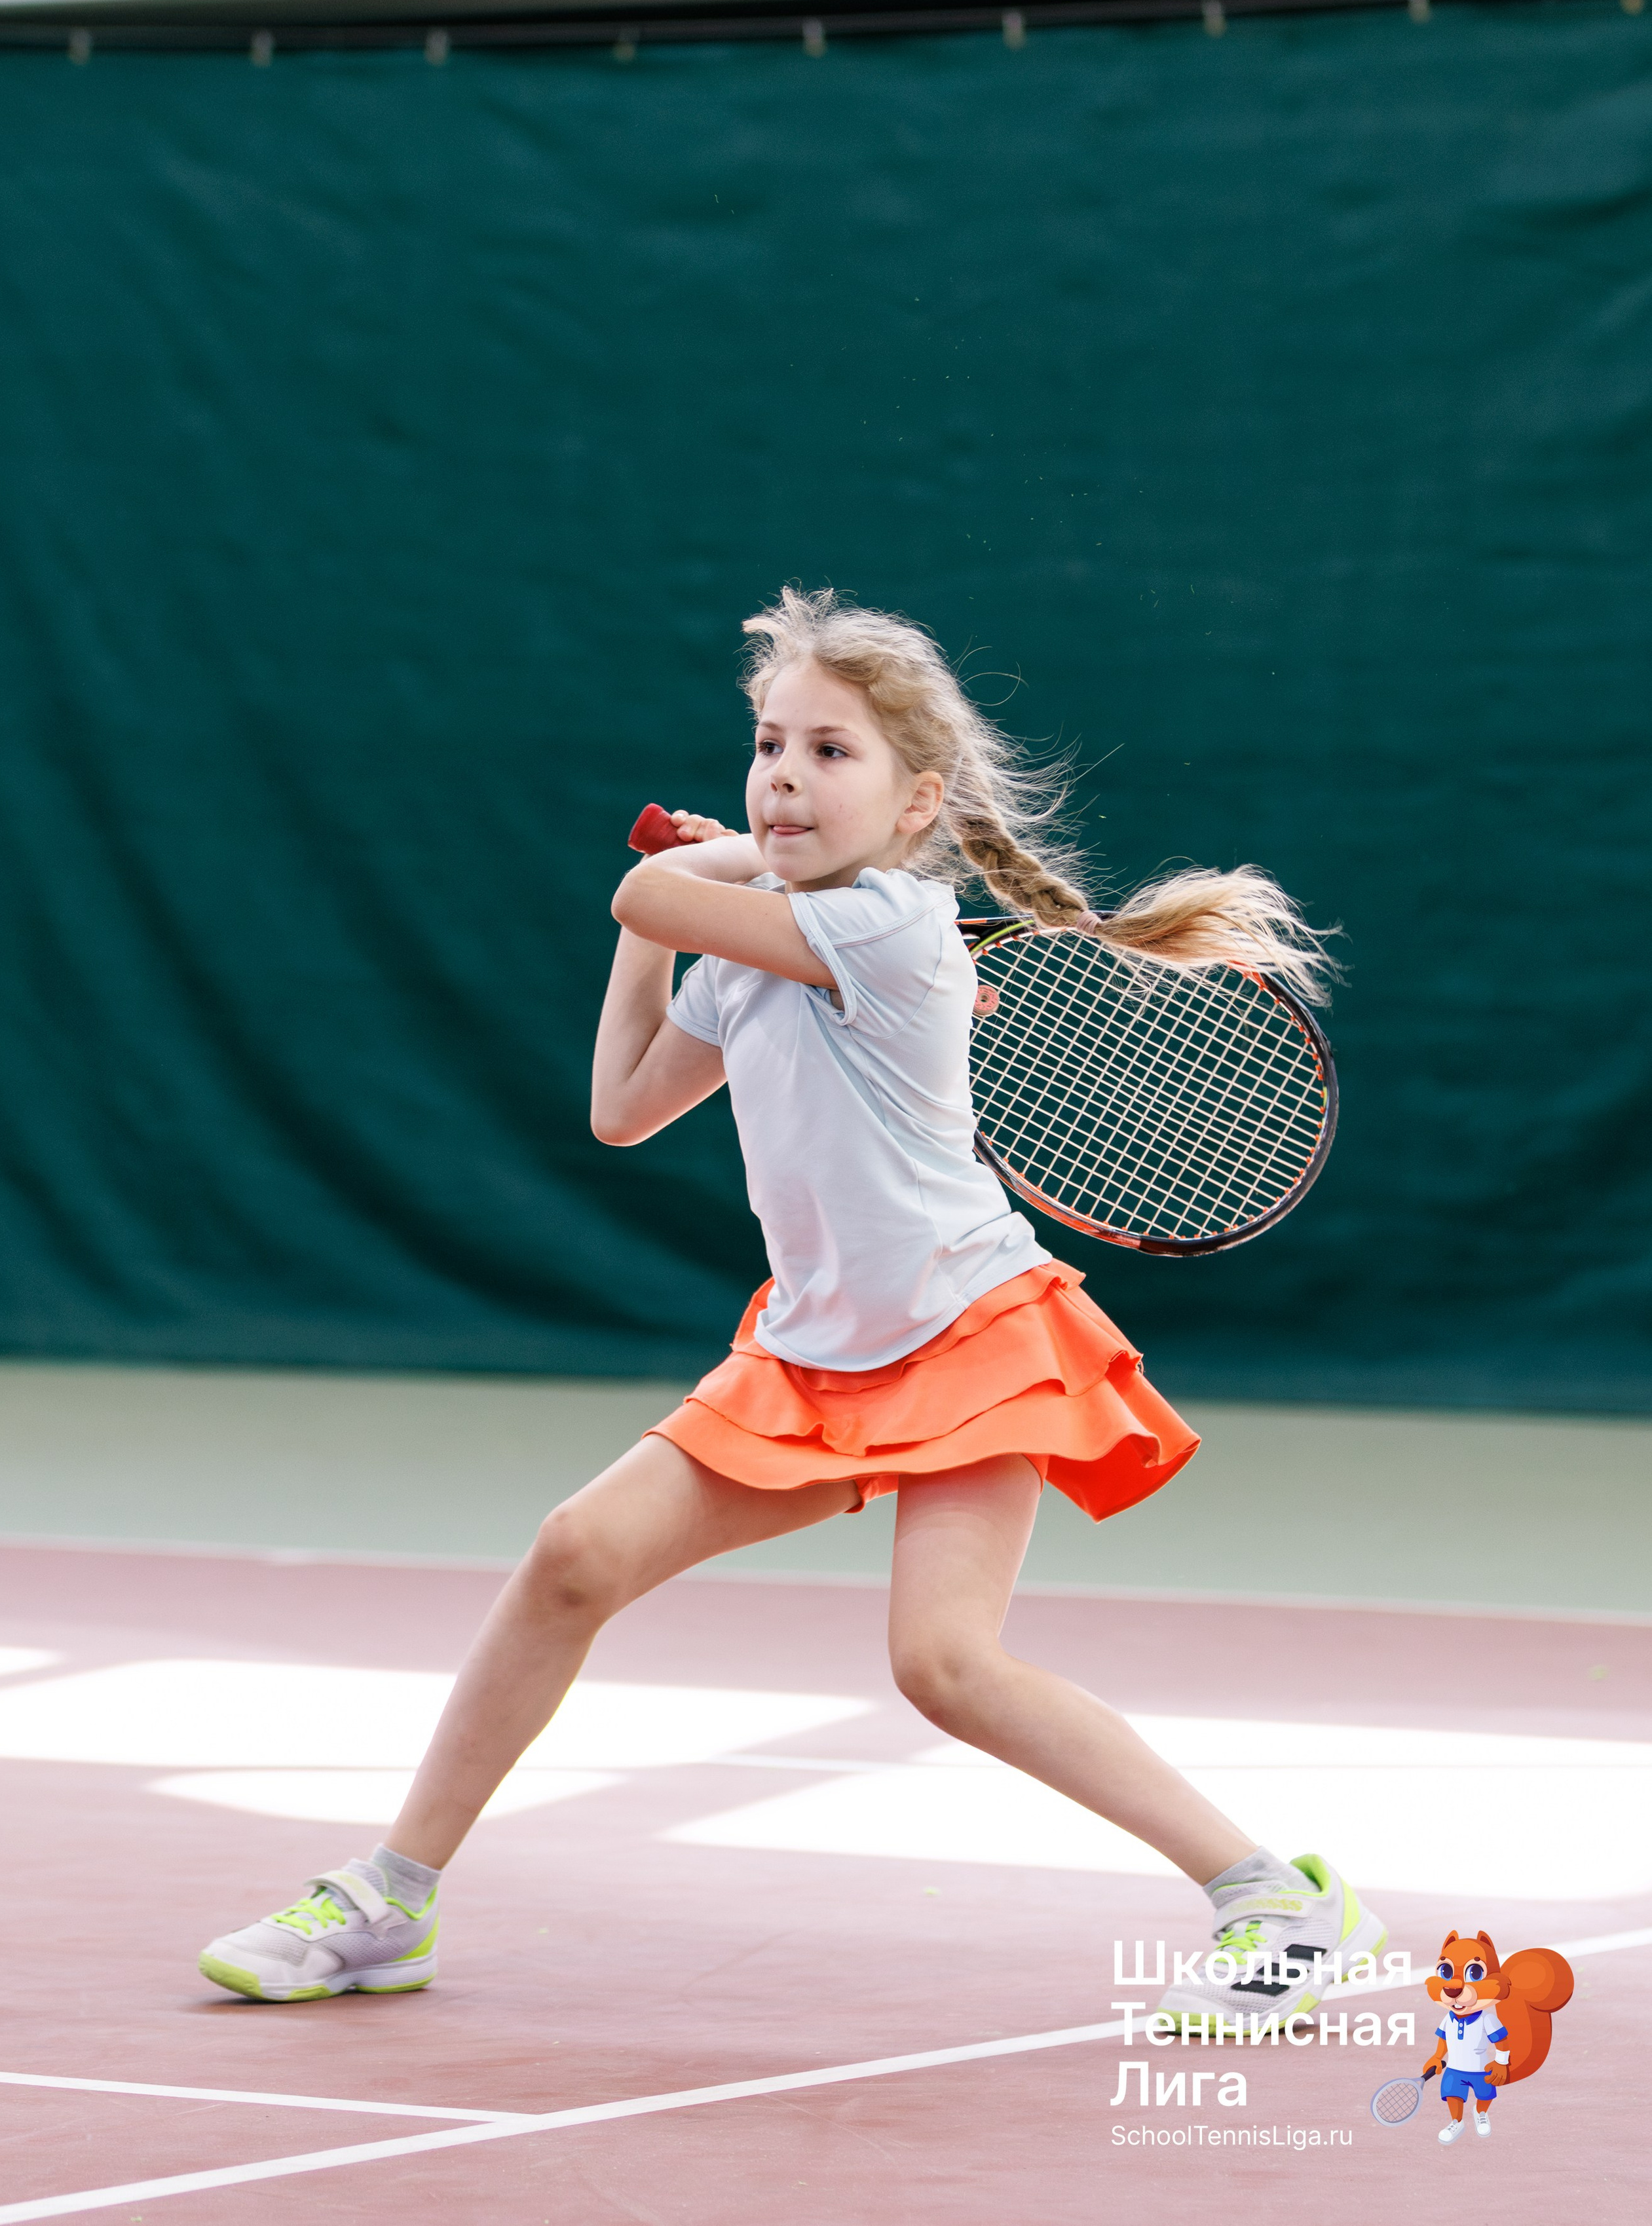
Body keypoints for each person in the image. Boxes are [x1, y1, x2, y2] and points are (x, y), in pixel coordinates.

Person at [199, 586, 1383, 2030]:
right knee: (575, 1554)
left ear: (913, 805)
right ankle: (389, 1896)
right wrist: (696, 909)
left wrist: (704, 864)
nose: (783, 776)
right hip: (810, 1345)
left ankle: (1276, 1895)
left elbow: (648, 892)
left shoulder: (885, 926)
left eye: (830, 752)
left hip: (967, 1331)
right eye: (770, 745)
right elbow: (624, 1106)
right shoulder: (764, 941)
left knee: (944, 1665)